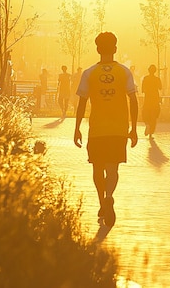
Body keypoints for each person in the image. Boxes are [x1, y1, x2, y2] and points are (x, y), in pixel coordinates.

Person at [73, 32, 138, 227]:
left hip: (97, 129)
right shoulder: (125, 72)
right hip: (118, 129)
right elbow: (133, 100)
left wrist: (77, 129)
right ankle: (109, 196)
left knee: (97, 168)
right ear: (115, 49)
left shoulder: (89, 73)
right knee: (112, 168)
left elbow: (81, 103)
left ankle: (102, 201)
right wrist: (133, 128)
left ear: (98, 49)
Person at [141, 64, 162, 138]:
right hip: (155, 99)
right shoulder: (157, 79)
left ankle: (147, 124)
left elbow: (143, 89)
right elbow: (160, 87)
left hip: (147, 99)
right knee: (154, 115)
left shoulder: (145, 78)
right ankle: (151, 133)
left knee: (145, 112)